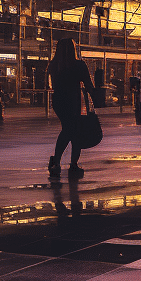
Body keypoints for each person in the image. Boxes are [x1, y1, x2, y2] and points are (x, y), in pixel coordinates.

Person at [47, 37, 94, 179]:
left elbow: (53, 85)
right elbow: (88, 85)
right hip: (73, 100)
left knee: (68, 129)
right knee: (74, 130)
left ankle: (57, 161)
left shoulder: (54, 65)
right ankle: (70, 163)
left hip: (59, 101)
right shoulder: (79, 65)